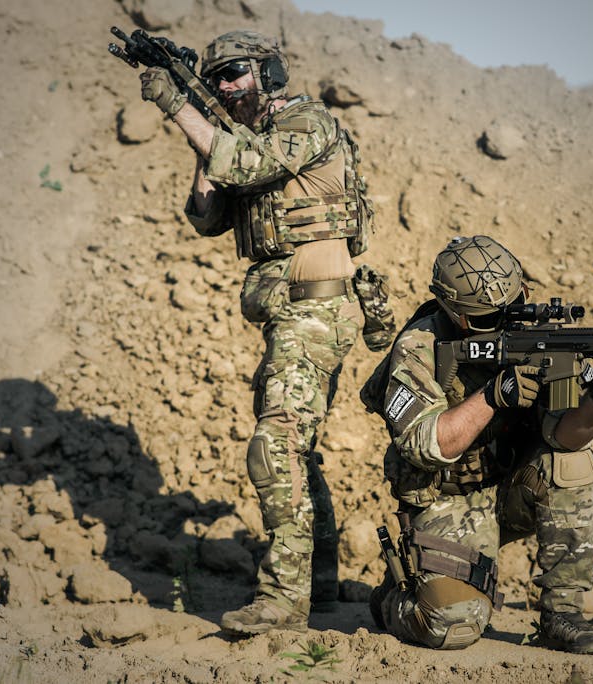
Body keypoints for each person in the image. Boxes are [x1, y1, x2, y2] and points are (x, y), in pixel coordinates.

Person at [139, 30, 381, 635]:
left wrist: (180, 107)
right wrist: (202, 137)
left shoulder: (306, 122)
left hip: (316, 308)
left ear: (269, 73)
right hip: (288, 314)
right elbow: (208, 215)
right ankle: (318, 584)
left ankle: (283, 599)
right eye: (216, 77)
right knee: (295, 445)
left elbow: (249, 164)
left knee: (275, 443)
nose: (225, 85)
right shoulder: (238, 137)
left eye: (236, 73)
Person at [366, 235, 593, 654]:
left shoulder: (538, 338)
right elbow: (424, 445)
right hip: (448, 501)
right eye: (488, 317)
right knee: (451, 626)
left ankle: (562, 615)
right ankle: (391, 598)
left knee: (573, 461)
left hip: (509, 491)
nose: (507, 321)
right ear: (454, 313)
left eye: (516, 304)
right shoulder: (418, 346)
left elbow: (566, 438)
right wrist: (494, 395)